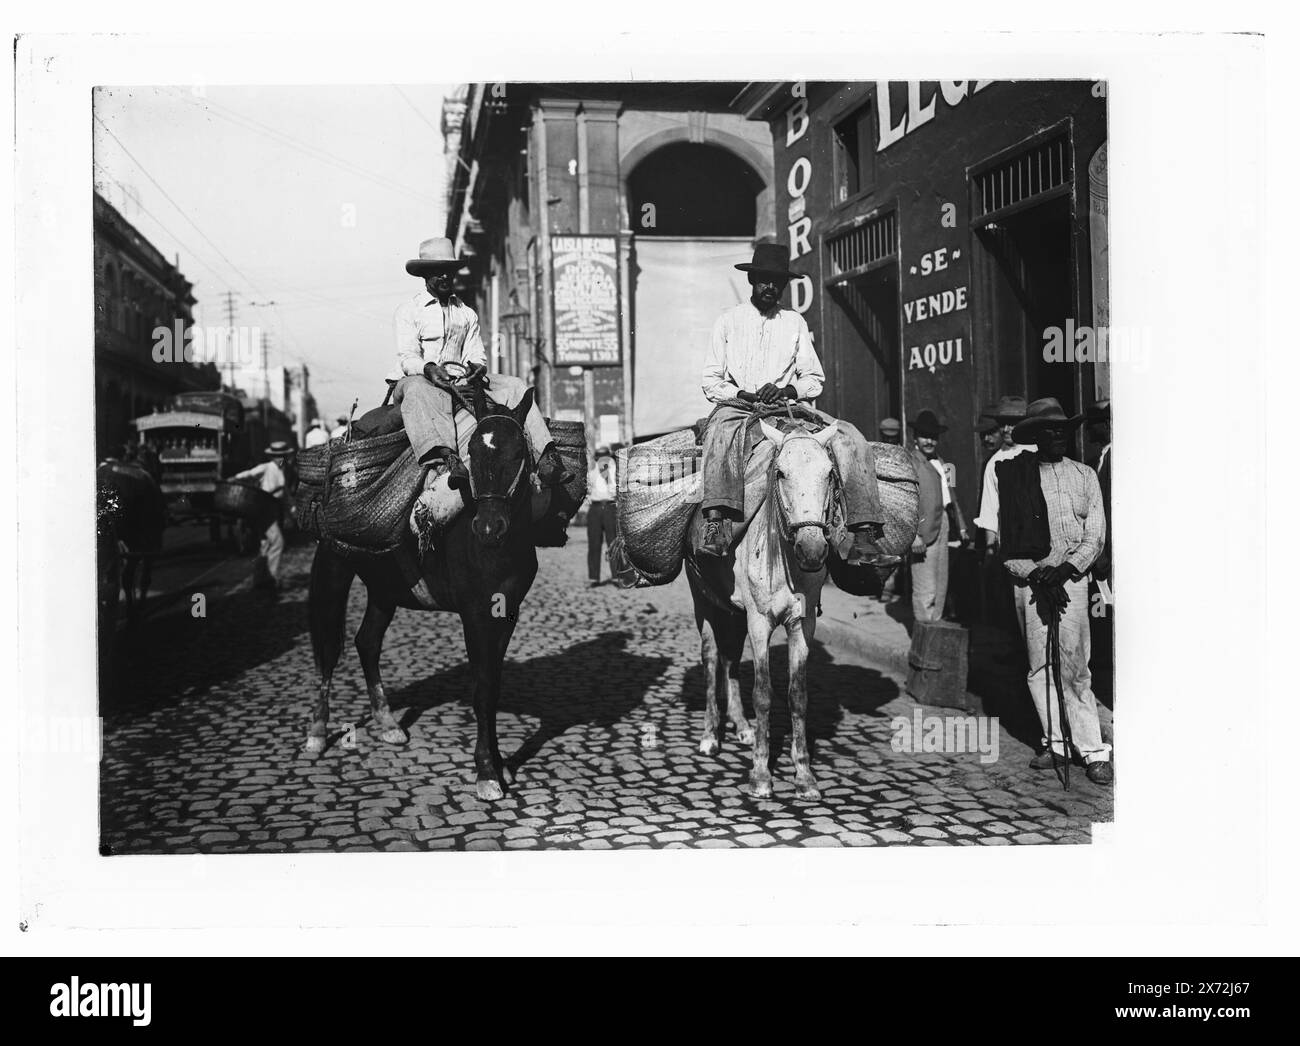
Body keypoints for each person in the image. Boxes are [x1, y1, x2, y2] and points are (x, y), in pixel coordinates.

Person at [697, 242, 883, 559]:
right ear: (752, 281)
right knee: (719, 435)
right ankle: (717, 523)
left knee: (849, 435)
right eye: (764, 279)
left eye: (777, 281)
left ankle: (863, 532)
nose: (770, 287)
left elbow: (814, 379)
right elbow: (710, 381)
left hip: (786, 407)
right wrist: (743, 394)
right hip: (740, 406)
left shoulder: (794, 322)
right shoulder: (728, 321)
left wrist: (788, 391)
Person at [986, 397, 1111, 785]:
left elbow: (1096, 536)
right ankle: (1055, 742)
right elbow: (1007, 548)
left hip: (1072, 583)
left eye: (1062, 430)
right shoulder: (1015, 476)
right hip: (1032, 585)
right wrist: (1039, 575)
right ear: (1035, 437)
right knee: (1039, 665)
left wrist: (1066, 570)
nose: (1057, 436)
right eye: (1048, 431)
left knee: (1075, 666)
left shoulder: (1085, 476)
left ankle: (1092, 751)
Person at [389, 237, 570, 498]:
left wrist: (477, 367)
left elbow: (476, 353)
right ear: (425, 274)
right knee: (418, 391)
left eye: (449, 271)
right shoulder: (409, 310)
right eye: (437, 271)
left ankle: (547, 458)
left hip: (460, 381)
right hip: (421, 378)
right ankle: (448, 459)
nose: (444, 276)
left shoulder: (466, 313)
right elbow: (407, 357)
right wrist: (428, 368)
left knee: (515, 386)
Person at [908, 410, 969, 623]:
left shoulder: (943, 463)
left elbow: (951, 496)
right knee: (926, 589)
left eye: (933, 436)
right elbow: (907, 503)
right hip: (923, 531)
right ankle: (923, 641)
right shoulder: (911, 462)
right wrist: (913, 535)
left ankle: (934, 635)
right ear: (915, 437)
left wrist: (961, 526)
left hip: (944, 525)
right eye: (924, 435)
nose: (929, 441)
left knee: (941, 585)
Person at [232, 440, 295, 596]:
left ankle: (259, 580)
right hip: (263, 507)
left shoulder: (282, 470)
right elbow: (249, 474)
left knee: (265, 544)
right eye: (277, 456)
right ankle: (271, 578)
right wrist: (234, 479)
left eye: (283, 456)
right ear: (272, 457)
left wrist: (292, 510)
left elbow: (285, 493)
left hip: (273, 508)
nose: (280, 459)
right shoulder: (266, 468)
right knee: (278, 542)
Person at [586, 445, 617, 586]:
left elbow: (614, 490)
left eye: (604, 457)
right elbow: (587, 489)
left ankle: (617, 576)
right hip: (596, 507)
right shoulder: (592, 472)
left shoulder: (613, 470)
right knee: (594, 544)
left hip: (609, 507)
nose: (601, 460)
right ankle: (594, 577)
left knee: (613, 543)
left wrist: (607, 477)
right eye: (599, 457)